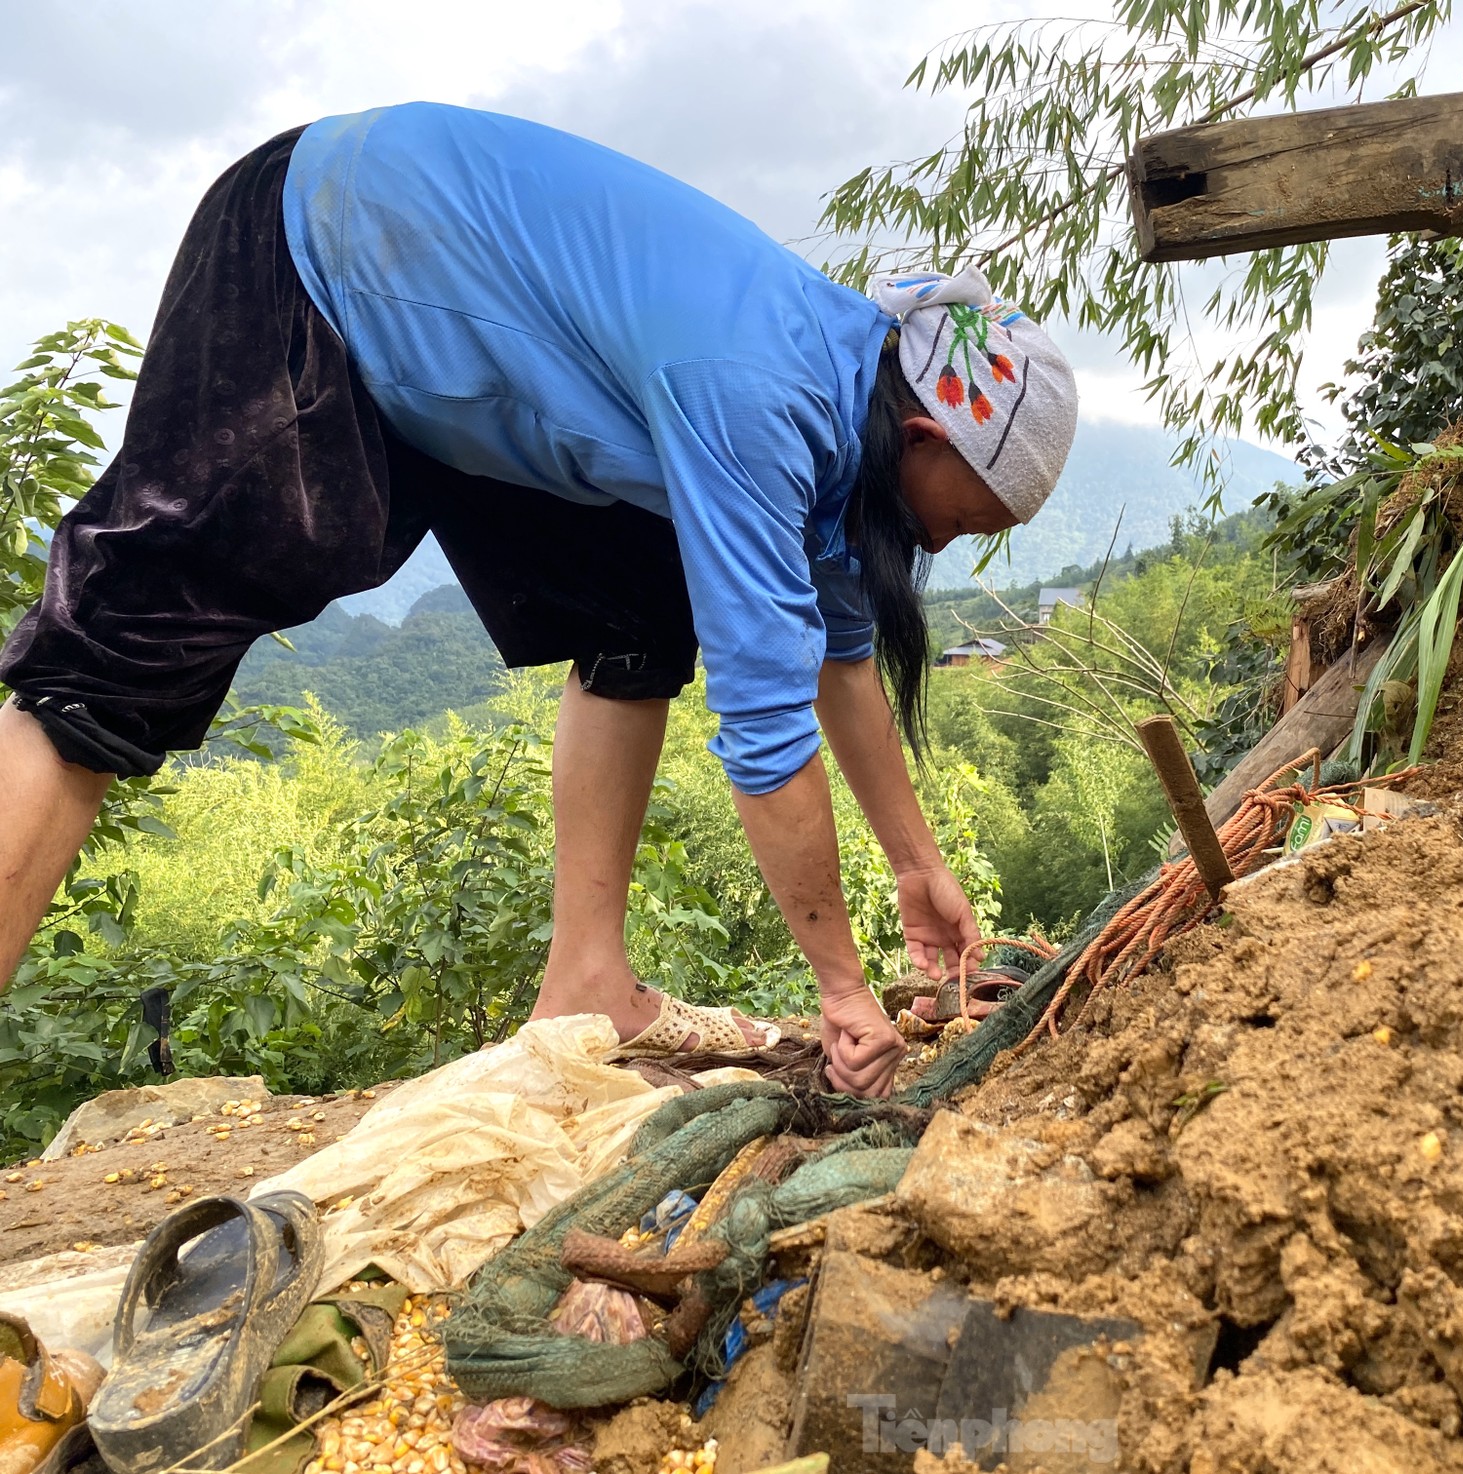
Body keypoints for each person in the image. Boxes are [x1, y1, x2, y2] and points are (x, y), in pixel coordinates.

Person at [0, 103, 1078, 1099]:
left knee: (640, 600)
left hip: (468, 341)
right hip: (322, 246)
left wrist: (916, 865)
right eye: (972, 521)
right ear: (931, 439)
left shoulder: (855, 416)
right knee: (120, 651)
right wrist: (843, 991)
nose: (954, 543)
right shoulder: (767, 394)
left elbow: (839, 657)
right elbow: (765, 731)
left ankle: (587, 983)